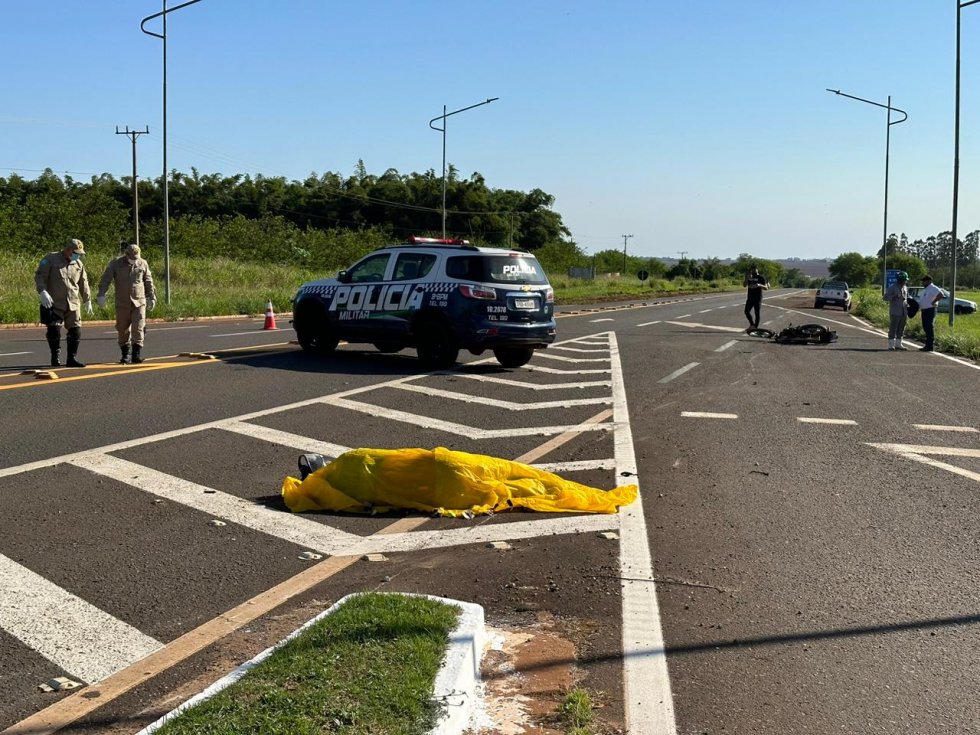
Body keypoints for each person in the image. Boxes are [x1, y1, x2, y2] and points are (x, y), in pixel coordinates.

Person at [34, 239, 92, 368]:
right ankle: (55, 357)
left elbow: (83, 282)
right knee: (54, 330)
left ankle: (72, 358)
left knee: (75, 330)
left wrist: (87, 299)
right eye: (76, 253)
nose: (78, 255)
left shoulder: (78, 264)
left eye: (79, 254)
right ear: (68, 250)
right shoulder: (50, 259)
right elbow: (40, 276)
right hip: (55, 302)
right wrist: (42, 291)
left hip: (73, 302)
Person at [97, 242, 156, 364]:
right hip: (122, 302)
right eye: (132, 258)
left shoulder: (143, 263)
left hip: (139, 302)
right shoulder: (116, 264)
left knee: (138, 328)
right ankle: (125, 354)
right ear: (126, 255)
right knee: (122, 329)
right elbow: (106, 279)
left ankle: (136, 354)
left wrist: (151, 297)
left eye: (136, 257)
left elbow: (148, 281)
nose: (134, 260)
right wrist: (101, 294)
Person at [917, 274, 943, 352]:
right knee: (925, 327)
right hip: (925, 310)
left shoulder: (933, 288)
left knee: (929, 327)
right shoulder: (926, 289)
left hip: (930, 310)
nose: (923, 283)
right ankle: (927, 345)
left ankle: (930, 346)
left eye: (924, 281)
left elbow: (941, 295)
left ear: (929, 281)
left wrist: (934, 301)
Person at [884, 271, 909, 351]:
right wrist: (893, 297)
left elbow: (906, 298)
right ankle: (891, 345)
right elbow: (885, 297)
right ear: (899, 280)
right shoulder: (892, 287)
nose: (905, 281)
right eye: (904, 280)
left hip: (904, 311)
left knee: (901, 328)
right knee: (893, 328)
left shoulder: (905, 288)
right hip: (895, 311)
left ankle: (898, 344)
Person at [743, 265, 769, 331]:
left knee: (756, 312)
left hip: (757, 297)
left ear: (757, 269)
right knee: (746, 311)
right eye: (752, 269)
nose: (753, 271)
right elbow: (744, 285)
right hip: (750, 297)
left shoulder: (761, 277)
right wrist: (746, 278)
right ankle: (752, 324)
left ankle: (755, 327)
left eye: (754, 269)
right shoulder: (749, 277)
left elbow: (766, 288)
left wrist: (759, 285)